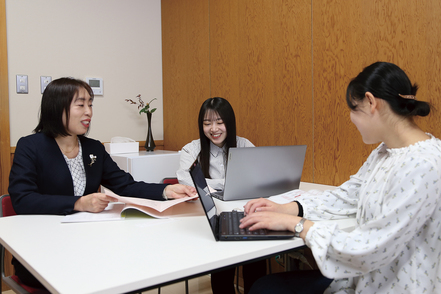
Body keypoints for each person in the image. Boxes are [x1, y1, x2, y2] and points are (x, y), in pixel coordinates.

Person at [240, 62, 441, 294]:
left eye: (354, 109)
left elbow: (370, 249)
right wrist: (288, 208)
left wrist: (296, 225)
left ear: (371, 102)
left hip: (395, 285)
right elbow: (348, 196)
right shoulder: (385, 152)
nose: (352, 118)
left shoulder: (423, 166)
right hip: (367, 278)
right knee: (265, 287)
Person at [8, 77, 196, 289]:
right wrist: (79, 203)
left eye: (90, 104)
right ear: (56, 108)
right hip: (43, 251)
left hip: (88, 245)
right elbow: (23, 200)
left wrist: (166, 190)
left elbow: (125, 185)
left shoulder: (94, 148)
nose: (88, 111)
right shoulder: (30, 146)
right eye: (80, 104)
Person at [176, 97, 266, 294]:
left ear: (229, 122)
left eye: (219, 122)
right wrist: (232, 183)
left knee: (256, 265)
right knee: (222, 272)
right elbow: (189, 185)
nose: (213, 129)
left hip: (246, 215)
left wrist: (209, 184)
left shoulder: (244, 145)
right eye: (207, 123)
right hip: (211, 219)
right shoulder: (191, 150)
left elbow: (257, 181)